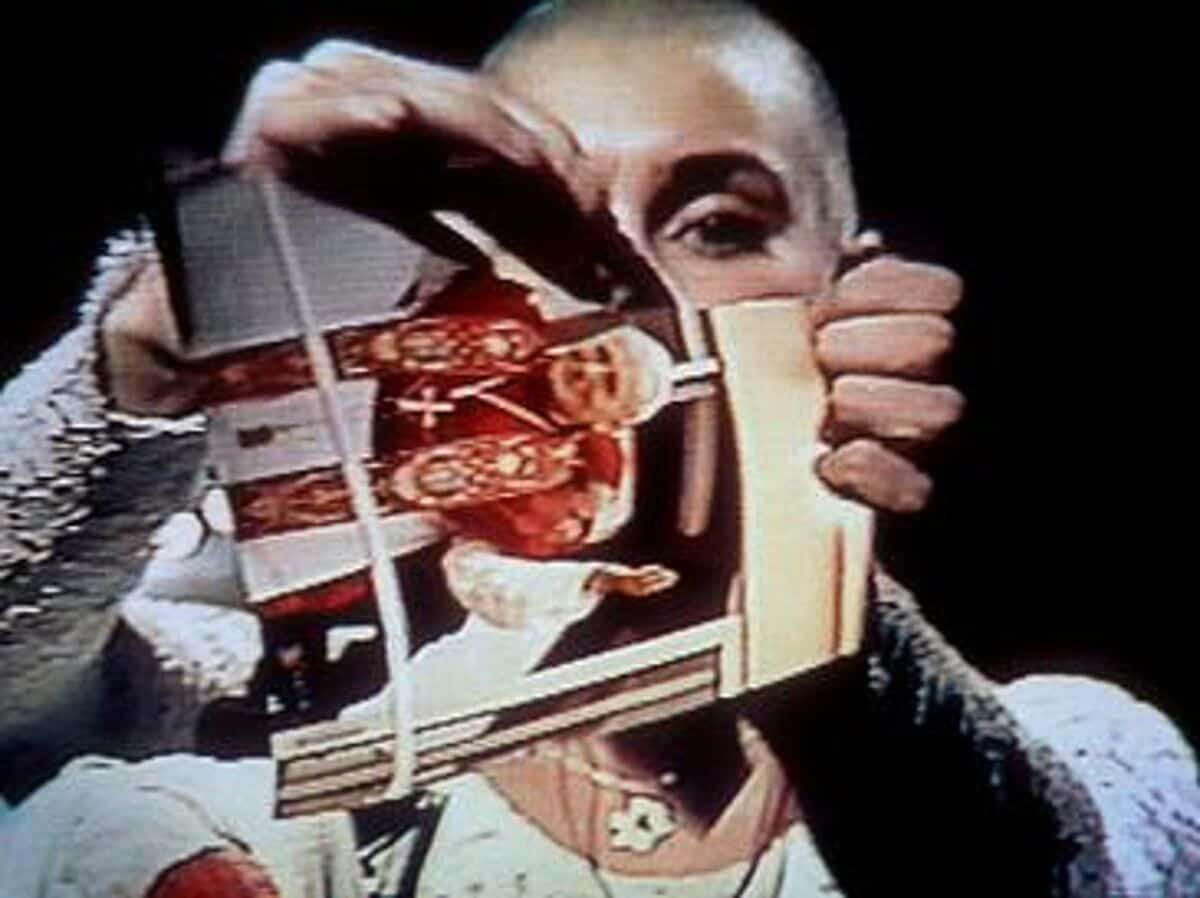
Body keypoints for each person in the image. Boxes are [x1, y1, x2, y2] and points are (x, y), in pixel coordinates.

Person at [2, 2, 1197, 896]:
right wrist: (166, 324)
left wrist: (794, 557)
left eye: (717, 226)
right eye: (524, 228)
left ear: (855, 292)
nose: (611, 292)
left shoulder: (1097, 748)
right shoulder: (254, 729)